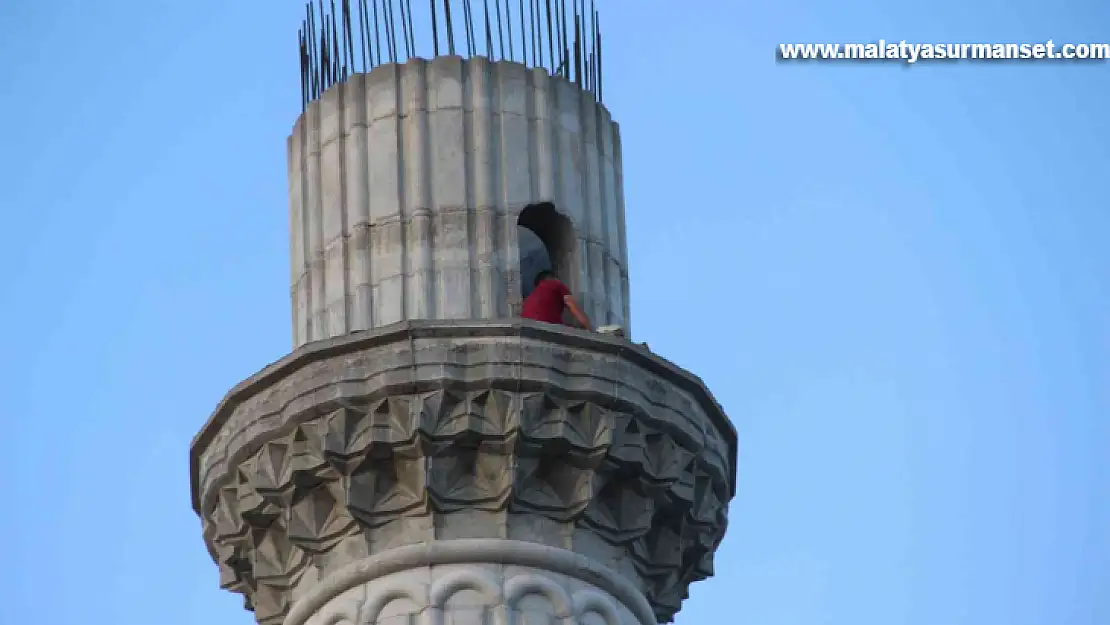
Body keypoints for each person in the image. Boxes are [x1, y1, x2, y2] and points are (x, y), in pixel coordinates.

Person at [521, 270, 591, 330]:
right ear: (554, 278)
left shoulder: (529, 298)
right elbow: (572, 305)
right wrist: (590, 331)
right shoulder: (555, 284)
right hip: (548, 328)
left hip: (528, 331)